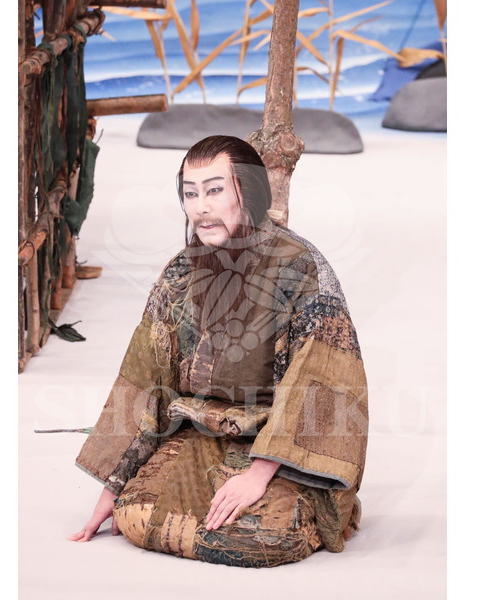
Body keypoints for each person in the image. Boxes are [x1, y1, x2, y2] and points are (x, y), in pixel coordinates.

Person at [69, 135, 368, 568]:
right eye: (190, 194)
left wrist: (258, 475)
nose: (200, 208)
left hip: (279, 444)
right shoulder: (181, 271)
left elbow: (321, 382)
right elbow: (146, 375)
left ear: (250, 192)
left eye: (214, 190)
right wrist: (114, 485)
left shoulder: (300, 268)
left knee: (262, 537)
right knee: (137, 516)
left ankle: (296, 495)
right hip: (203, 432)